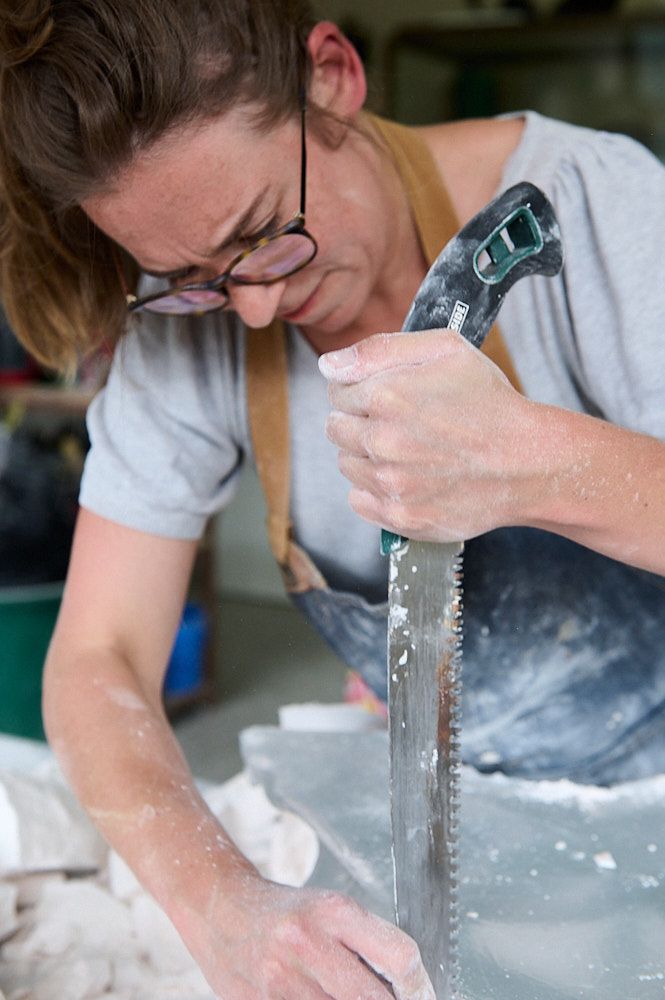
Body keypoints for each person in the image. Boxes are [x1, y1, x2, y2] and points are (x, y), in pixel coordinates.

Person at [1, 1, 664, 996]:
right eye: (188, 276)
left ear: (331, 78)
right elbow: (98, 660)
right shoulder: (188, 331)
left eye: (266, 233)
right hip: (482, 820)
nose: (254, 305)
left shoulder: (599, 206)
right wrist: (223, 909)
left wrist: (532, 459)